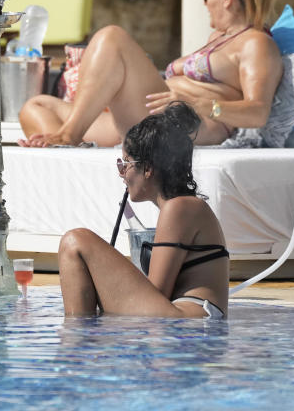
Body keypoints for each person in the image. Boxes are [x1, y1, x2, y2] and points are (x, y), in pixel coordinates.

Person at [18, 0, 282, 147]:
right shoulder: (219, 38)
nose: (205, 3)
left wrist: (202, 105)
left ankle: (68, 137)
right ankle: (69, 151)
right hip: (154, 114)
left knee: (112, 38)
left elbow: (258, 111)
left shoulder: (256, 43)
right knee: (36, 106)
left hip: (186, 125)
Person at [57, 102, 229, 319]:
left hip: (188, 321)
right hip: (187, 323)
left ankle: (77, 340)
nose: (121, 172)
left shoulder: (180, 208)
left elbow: (157, 292)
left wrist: (107, 283)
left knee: (74, 241)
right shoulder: (184, 207)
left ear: (147, 168)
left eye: (126, 163)